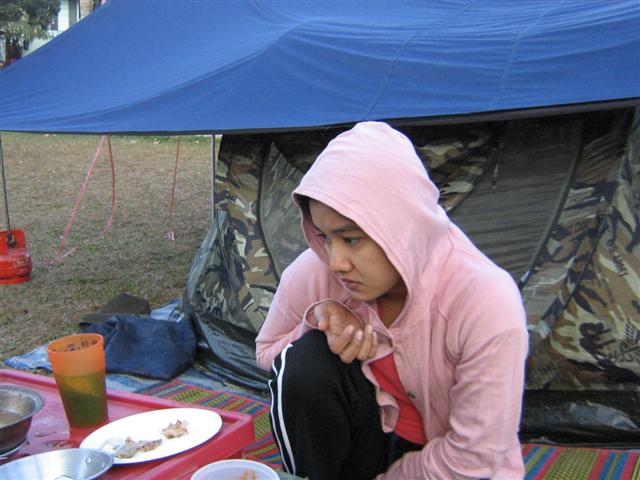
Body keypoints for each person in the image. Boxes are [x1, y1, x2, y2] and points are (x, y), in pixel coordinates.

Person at [255, 121, 528, 479]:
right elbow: (267, 352)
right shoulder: (316, 269)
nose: (336, 262)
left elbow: (472, 458)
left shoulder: (485, 300)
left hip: (456, 468)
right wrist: (318, 319)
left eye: (351, 239)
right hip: (370, 441)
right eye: (324, 237)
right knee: (307, 363)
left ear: (400, 226)